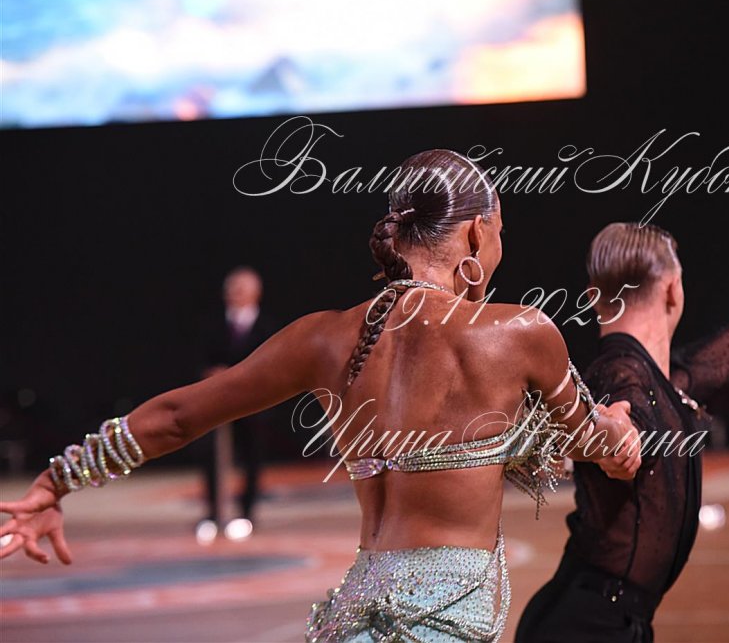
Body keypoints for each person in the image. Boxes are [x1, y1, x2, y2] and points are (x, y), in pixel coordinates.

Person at [0, 150, 641, 643]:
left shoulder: (322, 338)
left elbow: (176, 416)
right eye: (500, 231)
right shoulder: (520, 331)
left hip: (350, 619)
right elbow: (592, 443)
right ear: (476, 235)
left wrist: (57, 482)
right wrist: (620, 428)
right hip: (446, 622)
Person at [515, 222, 729, 643]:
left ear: (593, 295)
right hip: (589, 628)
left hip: (597, 619)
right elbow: (626, 418)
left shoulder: (650, 378)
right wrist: (620, 442)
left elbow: (714, 363)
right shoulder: (621, 375)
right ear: (672, 290)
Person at [196, 266, 276, 543]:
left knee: (251, 456)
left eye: (241, 289)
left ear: (256, 293)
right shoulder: (212, 325)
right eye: (231, 289)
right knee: (211, 455)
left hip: (252, 404)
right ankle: (213, 512)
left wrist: (239, 377)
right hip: (217, 404)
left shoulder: (266, 327)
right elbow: (203, 359)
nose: (234, 294)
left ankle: (246, 512)